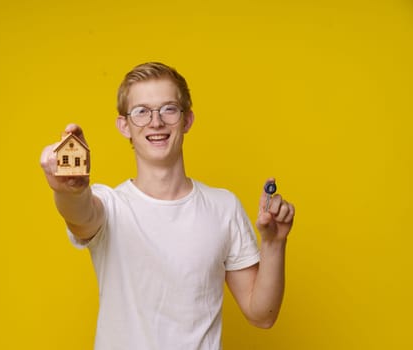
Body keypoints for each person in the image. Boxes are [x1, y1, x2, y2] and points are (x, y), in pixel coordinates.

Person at [40, 62, 295, 350]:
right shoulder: (109, 207)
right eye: (142, 111)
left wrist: (274, 244)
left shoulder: (223, 207)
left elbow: (262, 315)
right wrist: (69, 188)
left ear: (187, 120)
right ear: (124, 125)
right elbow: (79, 212)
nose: (156, 122)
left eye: (168, 109)